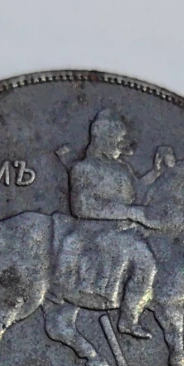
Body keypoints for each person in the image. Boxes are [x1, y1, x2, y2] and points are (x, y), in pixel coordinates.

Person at [66, 109, 157, 339]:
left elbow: (138, 193)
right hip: (94, 232)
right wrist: (129, 212)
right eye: (119, 138)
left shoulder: (123, 169)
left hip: (126, 229)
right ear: (104, 138)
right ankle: (128, 320)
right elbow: (83, 207)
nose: (123, 143)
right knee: (144, 259)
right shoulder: (83, 169)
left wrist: (159, 173)